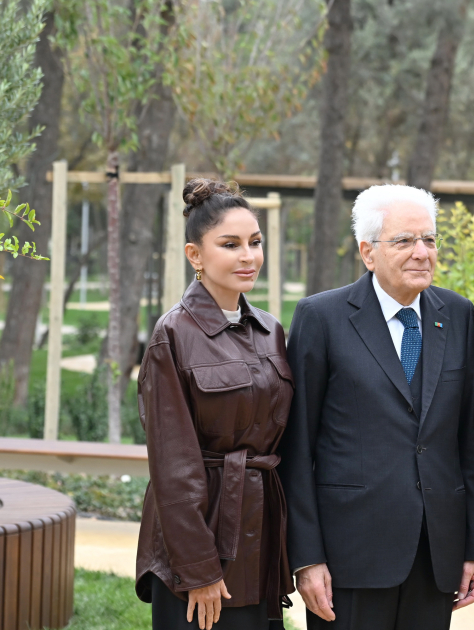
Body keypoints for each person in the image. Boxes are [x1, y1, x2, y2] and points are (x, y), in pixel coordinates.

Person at [278, 184, 474, 630]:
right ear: (367, 252)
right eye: (404, 240)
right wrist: (307, 557)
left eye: (429, 240)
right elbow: (296, 449)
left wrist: (473, 547)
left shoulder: (456, 314)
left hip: (436, 555)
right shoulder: (321, 318)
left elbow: (468, 438)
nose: (421, 252)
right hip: (350, 557)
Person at [135, 179, 295, 630]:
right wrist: (199, 570)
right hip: (198, 541)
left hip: (259, 538)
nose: (248, 256)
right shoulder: (174, 335)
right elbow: (173, 467)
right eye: (231, 244)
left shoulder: (270, 329)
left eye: (255, 242)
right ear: (195, 255)